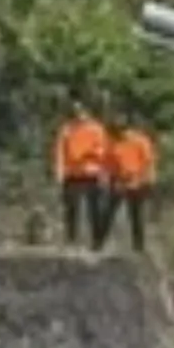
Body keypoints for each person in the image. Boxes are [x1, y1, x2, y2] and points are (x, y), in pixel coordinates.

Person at [53, 101, 109, 249]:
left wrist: (93, 159)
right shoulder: (67, 129)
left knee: (94, 208)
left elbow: (103, 150)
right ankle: (71, 238)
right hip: (72, 173)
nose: (79, 114)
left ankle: (97, 240)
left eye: (81, 110)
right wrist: (59, 170)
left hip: (91, 172)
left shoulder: (96, 129)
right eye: (76, 110)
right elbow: (60, 151)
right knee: (71, 208)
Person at [103, 116, 157, 253]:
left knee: (136, 216)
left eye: (122, 130)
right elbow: (110, 165)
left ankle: (139, 246)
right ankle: (99, 241)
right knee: (108, 212)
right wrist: (112, 180)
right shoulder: (114, 144)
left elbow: (148, 162)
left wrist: (144, 180)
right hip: (120, 181)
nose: (121, 134)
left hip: (138, 181)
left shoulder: (141, 141)